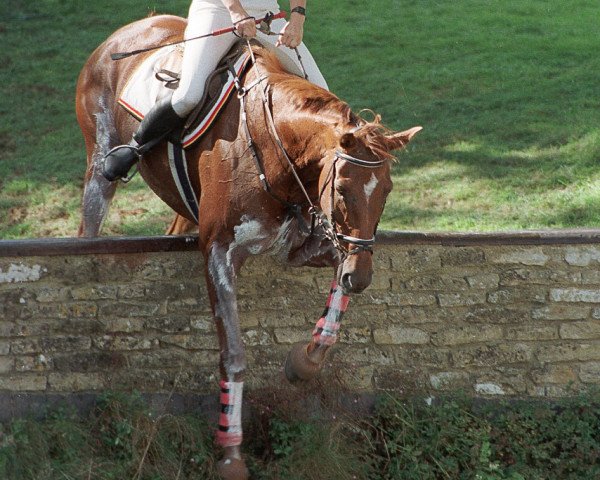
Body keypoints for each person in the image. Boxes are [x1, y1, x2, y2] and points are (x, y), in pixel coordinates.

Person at [102, 0, 327, 182]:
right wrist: (237, 12)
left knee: (322, 95)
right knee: (188, 96)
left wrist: (297, 19)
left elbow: (295, 13)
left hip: (268, 14)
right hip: (217, 11)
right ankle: (134, 147)